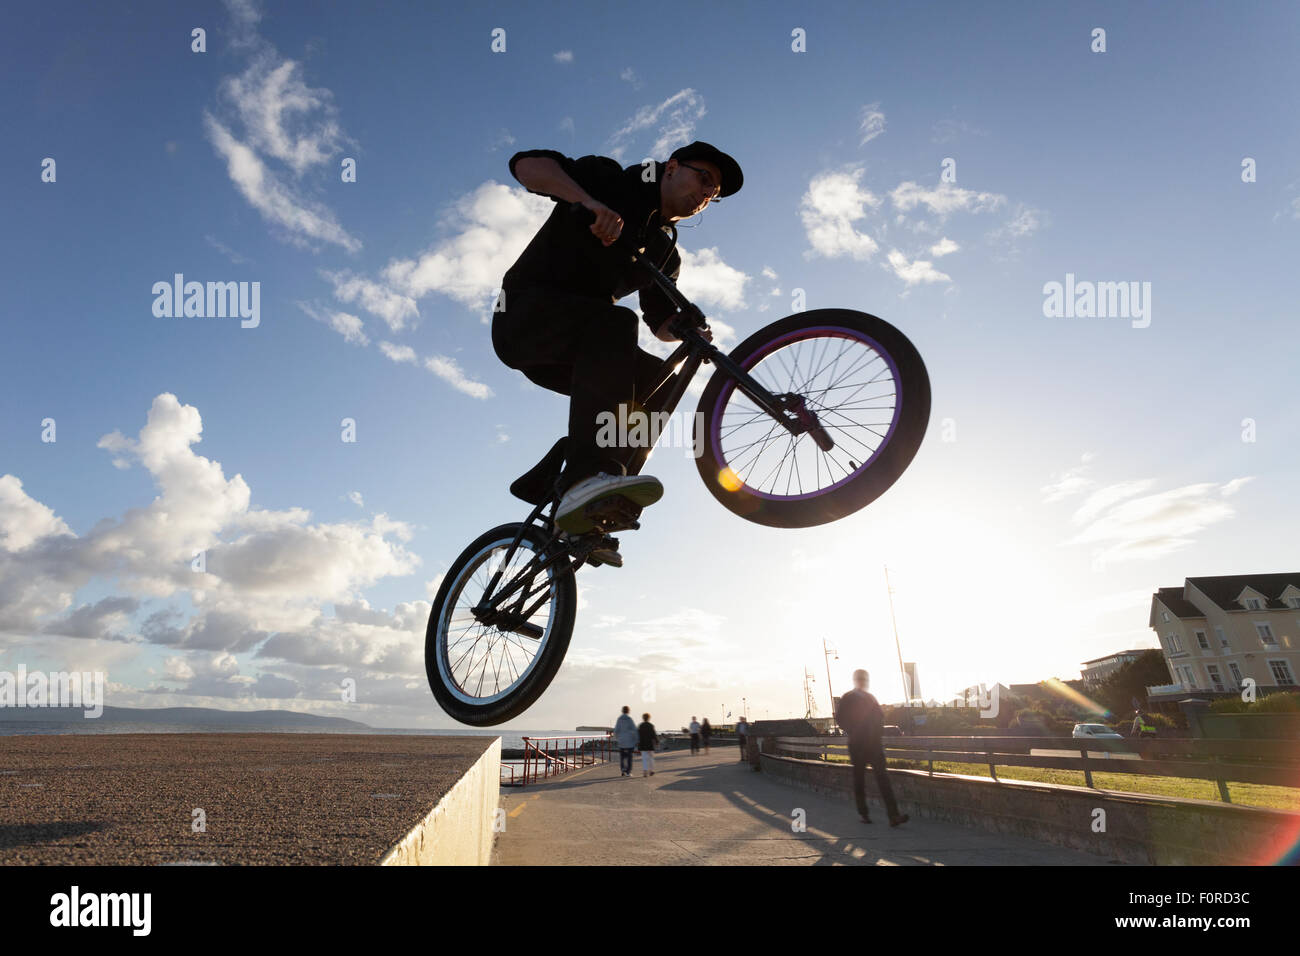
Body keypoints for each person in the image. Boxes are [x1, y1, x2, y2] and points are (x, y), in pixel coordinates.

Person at [494, 142, 744, 566]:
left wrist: (687, 331)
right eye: (703, 178)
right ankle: (587, 475)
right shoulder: (613, 179)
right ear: (672, 167)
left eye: (713, 193)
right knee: (615, 323)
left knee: (659, 381)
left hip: (580, 351)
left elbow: (660, 324)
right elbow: (525, 166)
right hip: (525, 317)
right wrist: (588, 202)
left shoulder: (664, 253)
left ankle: (586, 499)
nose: (706, 195)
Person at [835, 669, 909, 827]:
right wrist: (853, 730)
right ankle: (864, 813)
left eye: (865, 679)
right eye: (861, 679)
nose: (863, 681)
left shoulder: (871, 698)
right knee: (859, 780)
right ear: (856, 680)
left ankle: (893, 816)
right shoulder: (848, 697)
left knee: (883, 779)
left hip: (874, 745)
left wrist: (876, 732)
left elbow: (880, 718)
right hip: (857, 745)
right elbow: (840, 718)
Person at [614, 705, 638, 776]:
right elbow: (634, 730)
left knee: (622, 757)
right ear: (628, 711)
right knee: (629, 757)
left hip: (621, 741)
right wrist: (637, 739)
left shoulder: (619, 719)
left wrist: (617, 738)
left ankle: (623, 770)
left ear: (622, 711)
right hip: (629, 741)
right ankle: (628, 771)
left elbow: (616, 730)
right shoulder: (629, 719)